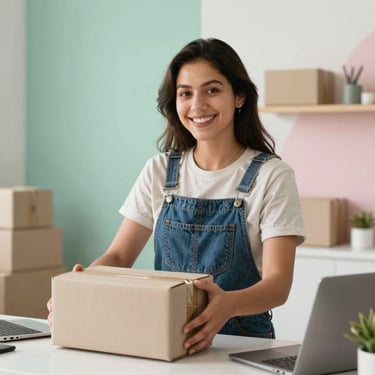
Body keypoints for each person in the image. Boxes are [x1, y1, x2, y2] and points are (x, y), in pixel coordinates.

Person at [47, 38, 305, 355]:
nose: (197, 105)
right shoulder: (159, 171)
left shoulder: (272, 176)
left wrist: (228, 304)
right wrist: (82, 286)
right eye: (186, 93)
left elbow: (278, 284)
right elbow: (118, 257)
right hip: (165, 341)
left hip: (242, 347)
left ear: (238, 96)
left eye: (212, 90)